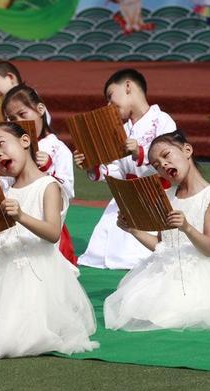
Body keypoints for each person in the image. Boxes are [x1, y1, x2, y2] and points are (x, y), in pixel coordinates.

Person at [0, 122, 98, 359]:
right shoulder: (5, 193)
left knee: (17, 339)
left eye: (1, 144)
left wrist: (22, 216)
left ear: (25, 141)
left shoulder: (48, 186)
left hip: (39, 274)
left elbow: (53, 233)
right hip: (4, 275)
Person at [104, 131, 210, 330]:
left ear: (187, 150)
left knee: (173, 312)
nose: (162, 164)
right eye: (156, 165)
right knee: (135, 305)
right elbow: (162, 245)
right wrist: (134, 230)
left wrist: (187, 227)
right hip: (166, 269)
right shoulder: (167, 196)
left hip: (201, 273)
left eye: (166, 155)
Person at [76, 68, 177, 269]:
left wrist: (140, 152)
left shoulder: (163, 120)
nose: (108, 105)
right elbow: (117, 171)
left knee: (139, 254)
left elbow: (172, 156)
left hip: (157, 194)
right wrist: (94, 166)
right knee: (103, 251)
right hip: (127, 195)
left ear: (128, 86)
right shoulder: (121, 130)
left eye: (110, 96)